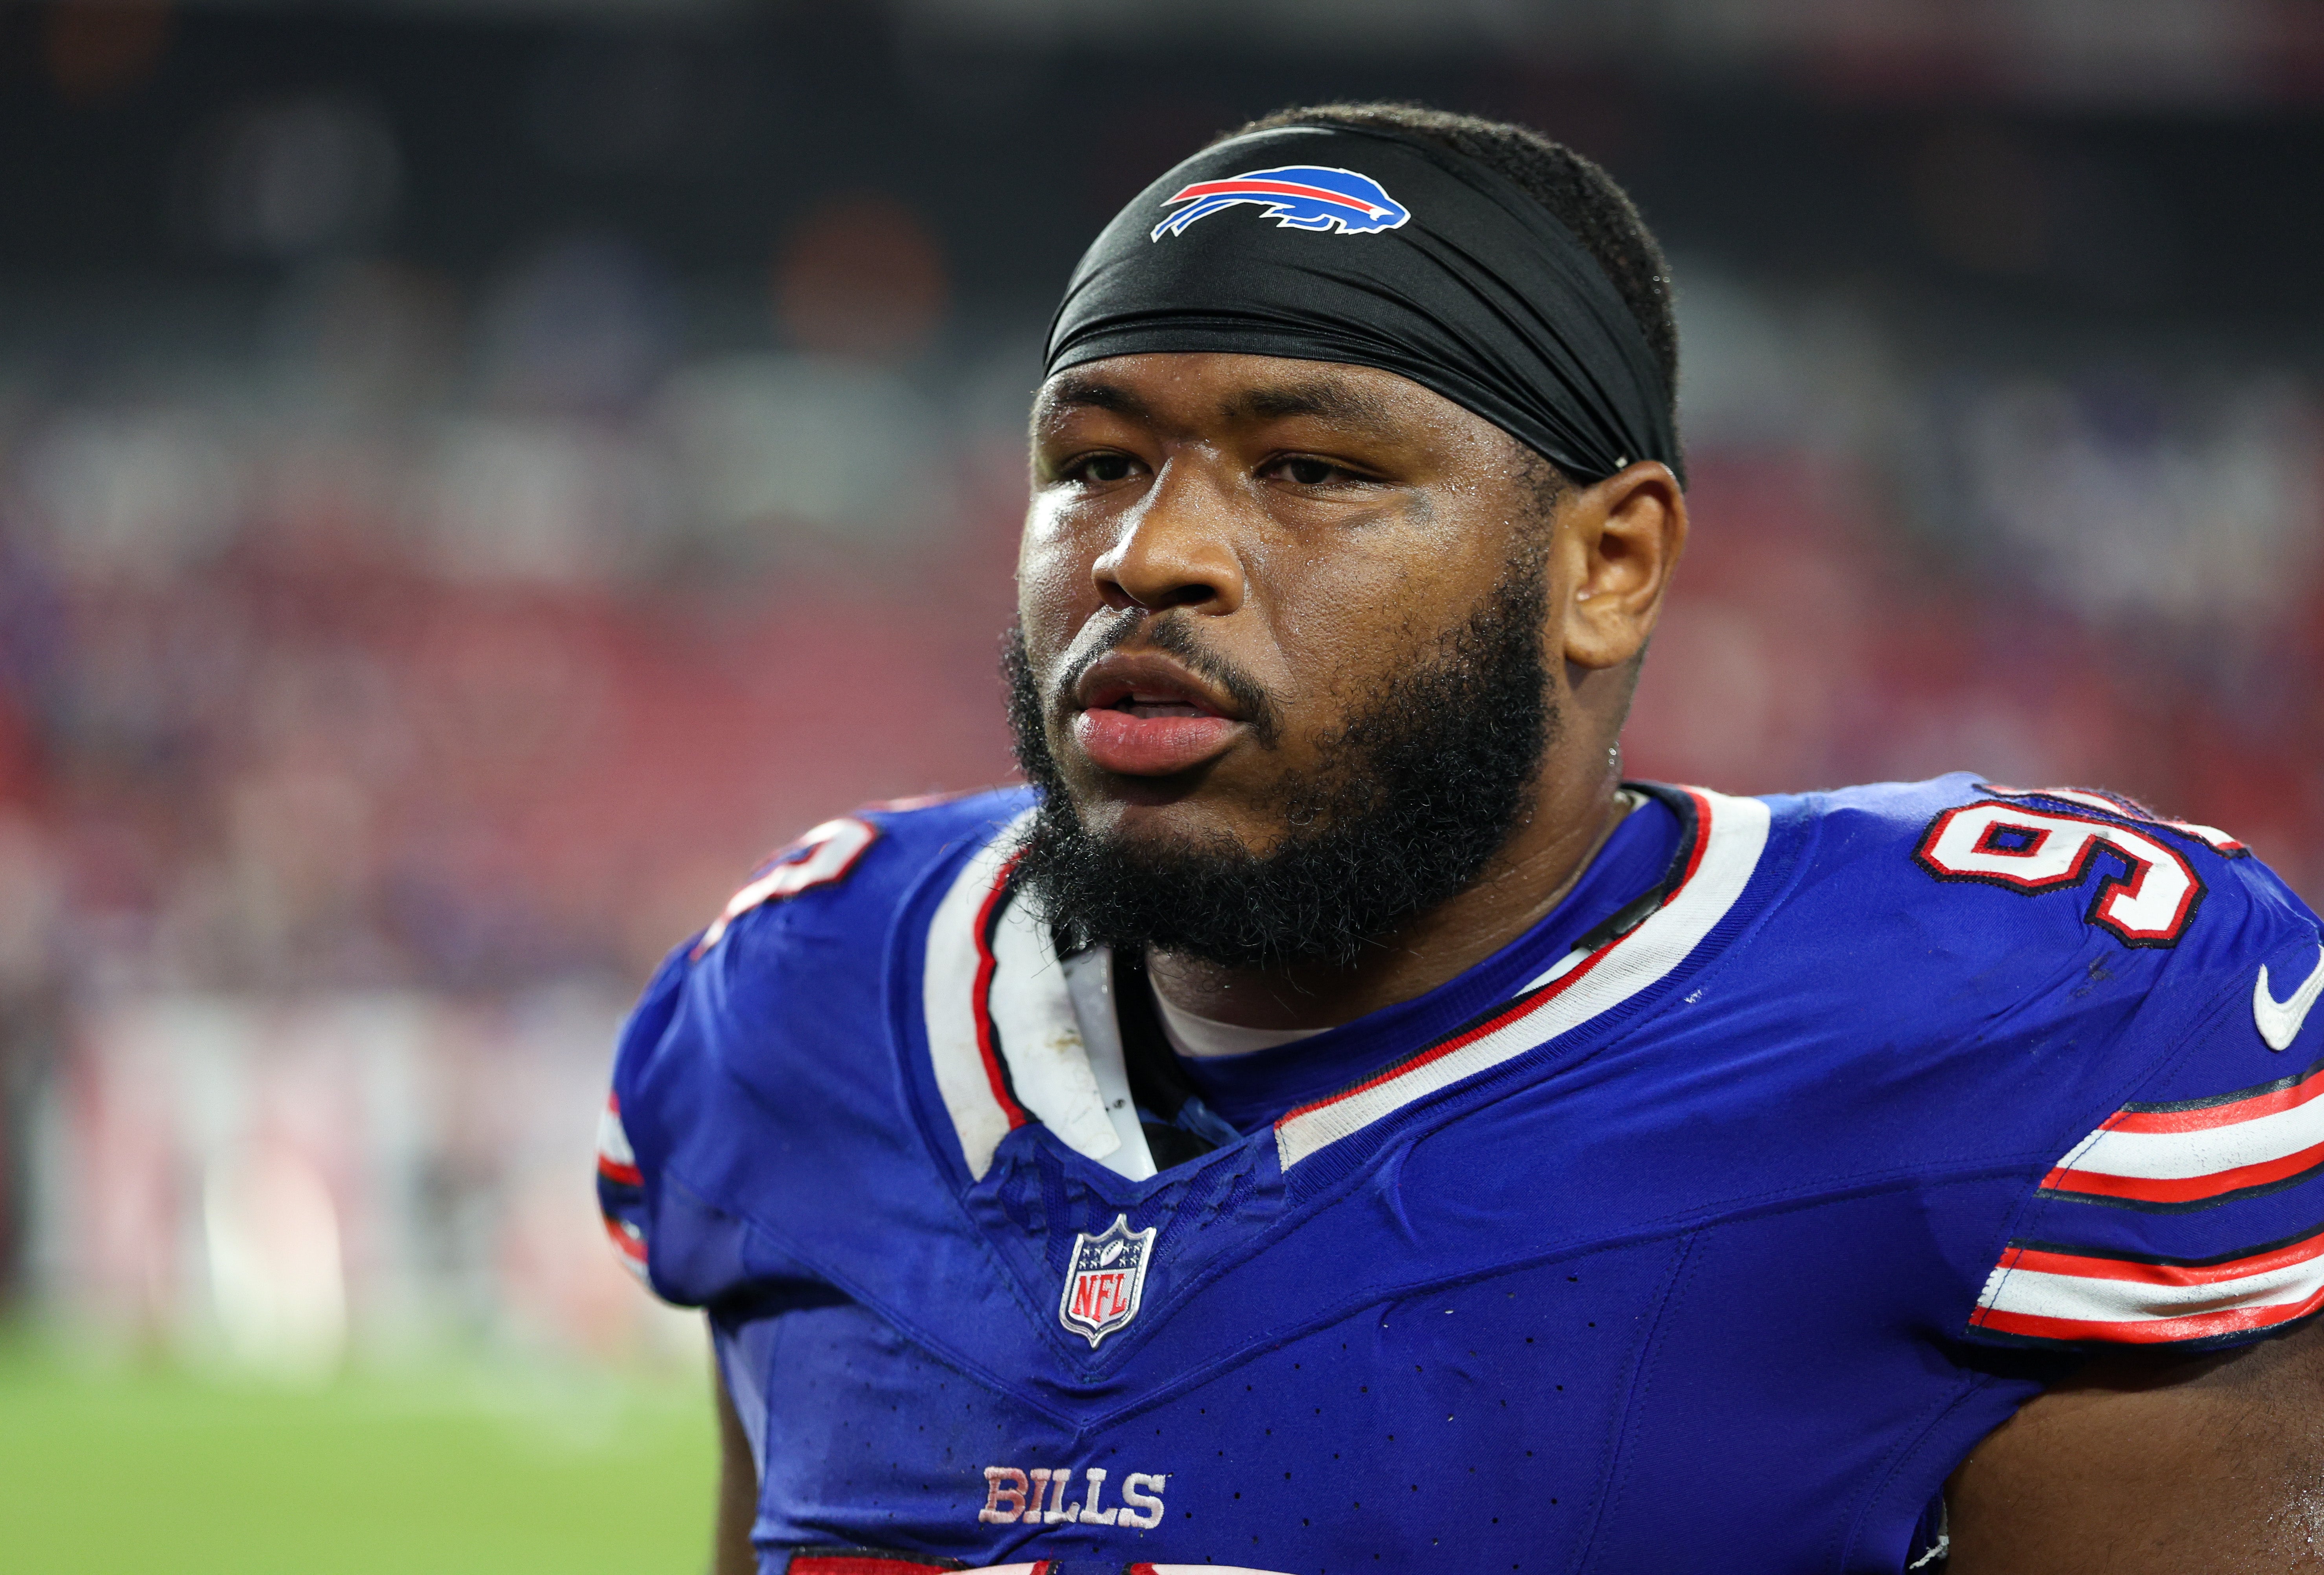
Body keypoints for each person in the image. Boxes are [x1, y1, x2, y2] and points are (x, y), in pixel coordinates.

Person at [596, 102, 2324, 1575]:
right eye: (1098, 461)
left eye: (1314, 469)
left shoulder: (2010, 1016)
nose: (1147, 553)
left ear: (1610, 566)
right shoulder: (802, 997)